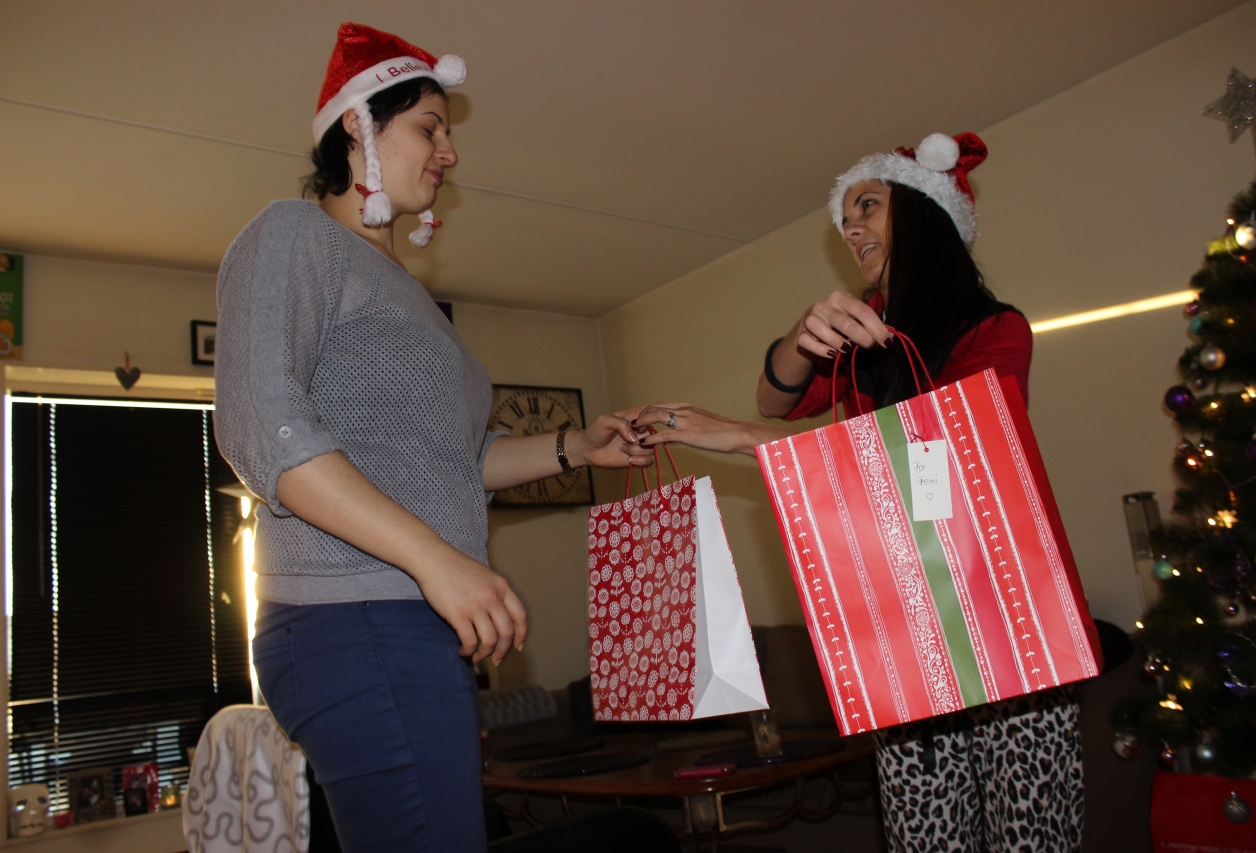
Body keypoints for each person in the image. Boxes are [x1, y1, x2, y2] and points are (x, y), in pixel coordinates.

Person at [214, 24, 650, 852]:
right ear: (357, 126)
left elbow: (455, 462)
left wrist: (575, 446)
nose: (449, 152)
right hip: (356, 615)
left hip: (406, 617)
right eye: (429, 127)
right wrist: (437, 559)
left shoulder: (405, 294)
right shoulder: (295, 233)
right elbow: (262, 422)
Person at [631, 133, 1084, 853]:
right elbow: (776, 399)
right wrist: (803, 334)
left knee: (1031, 835)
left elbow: (941, 456)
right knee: (923, 832)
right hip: (903, 621)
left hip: (1005, 618)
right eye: (844, 218)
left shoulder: (996, 329)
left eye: (867, 205)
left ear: (925, 211)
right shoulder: (862, 340)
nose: (850, 228)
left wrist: (740, 436)